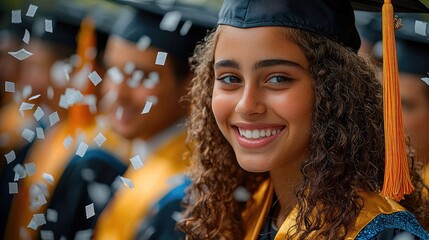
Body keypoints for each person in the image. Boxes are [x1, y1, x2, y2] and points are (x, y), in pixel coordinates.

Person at [137, 0, 429, 239]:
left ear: (336, 90)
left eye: (278, 78)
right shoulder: (228, 217)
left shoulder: (380, 233)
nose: (246, 105)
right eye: (229, 78)